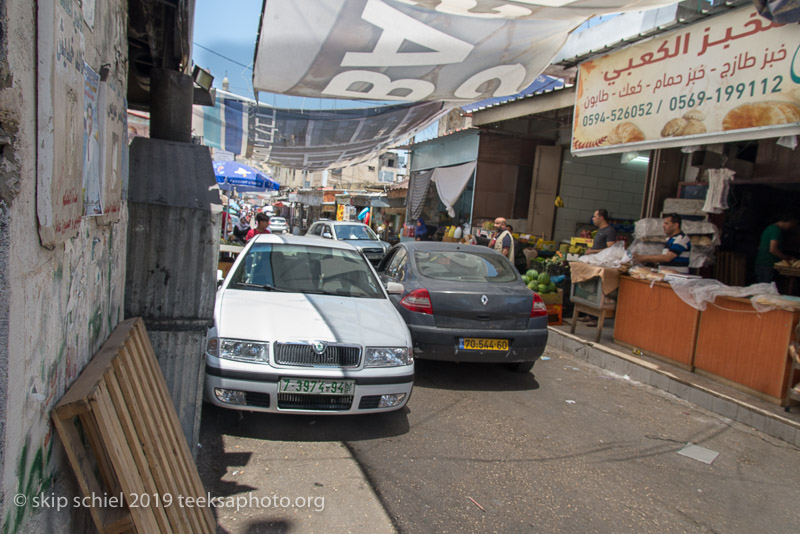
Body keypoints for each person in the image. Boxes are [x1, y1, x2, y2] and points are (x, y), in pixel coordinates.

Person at [755, 214, 797, 283]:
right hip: (768, 264)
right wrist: (786, 257)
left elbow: (760, 247)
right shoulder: (776, 230)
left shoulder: (769, 228)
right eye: (792, 224)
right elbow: (773, 249)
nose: (791, 227)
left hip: (760, 263)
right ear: (789, 222)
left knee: (762, 287)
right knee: (767, 289)